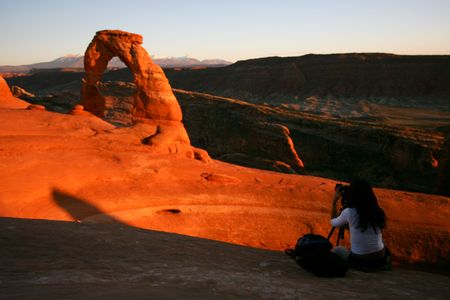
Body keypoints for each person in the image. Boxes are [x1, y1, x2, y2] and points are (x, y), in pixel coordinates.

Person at [330, 179, 391, 271]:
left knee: (337, 250)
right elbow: (362, 227)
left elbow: (334, 222)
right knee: (380, 243)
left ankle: (361, 264)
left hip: (359, 259)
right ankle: (381, 264)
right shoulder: (377, 211)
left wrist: (334, 202)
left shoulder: (349, 212)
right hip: (380, 257)